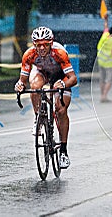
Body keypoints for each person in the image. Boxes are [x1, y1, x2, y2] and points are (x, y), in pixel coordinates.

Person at [14, 26, 77, 169]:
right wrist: (19, 86)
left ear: (51, 43)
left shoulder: (59, 53)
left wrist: (63, 83)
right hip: (43, 74)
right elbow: (22, 81)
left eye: (45, 45)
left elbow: (73, 78)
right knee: (35, 86)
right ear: (34, 45)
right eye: (38, 45)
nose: (42, 48)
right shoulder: (29, 55)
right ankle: (39, 118)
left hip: (60, 76)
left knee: (61, 110)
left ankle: (63, 151)